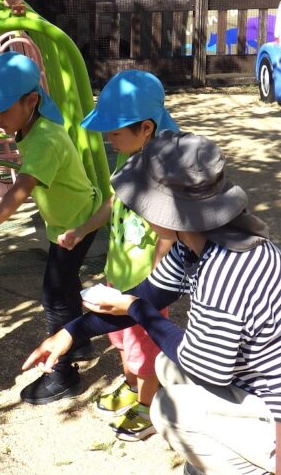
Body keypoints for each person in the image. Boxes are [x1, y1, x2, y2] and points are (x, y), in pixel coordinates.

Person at [24, 131, 281, 475]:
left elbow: (204, 365)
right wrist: (70, 333)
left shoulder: (227, 271)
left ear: (165, 212)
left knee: (170, 409)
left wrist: (135, 310)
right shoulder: (200, 243)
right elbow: (148, 297)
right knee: (167, 365)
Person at [0, 51, 102, 404]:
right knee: (65, 286)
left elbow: (16, 195)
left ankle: (63, 373)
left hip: (77, 223)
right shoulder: (34, 128)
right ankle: (77, 342)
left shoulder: (45, 140)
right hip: (69, 219)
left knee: (54, 295)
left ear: (31, 100)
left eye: (2, 110)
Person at [56, 70, 179, 441]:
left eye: (115, 132)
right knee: (123, 342)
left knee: (144, 351)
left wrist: (154, 287)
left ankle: (147, 403)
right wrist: (82, 229)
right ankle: (131, 386)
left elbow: (168, 237)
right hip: (118, 274)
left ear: (146, 128)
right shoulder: (129, 161)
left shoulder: (159, 175)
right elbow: (113, 202)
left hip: (145, 287)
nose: (109, 140)